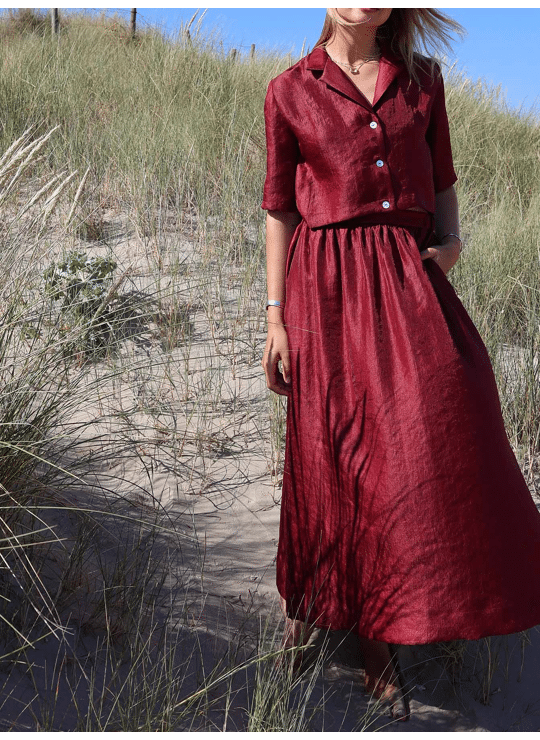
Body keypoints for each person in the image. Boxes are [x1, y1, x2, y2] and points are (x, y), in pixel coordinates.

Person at [261, 7, 540, 722]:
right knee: (335, 454)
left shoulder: (423, 81)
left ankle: (411, 606)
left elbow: (443, 178)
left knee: (441, 420)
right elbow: (280, 209)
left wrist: (451, 242)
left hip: (409, 278)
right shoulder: (289, 89)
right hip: (325, 288)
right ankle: (341, 620)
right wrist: (274, 316)